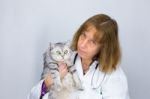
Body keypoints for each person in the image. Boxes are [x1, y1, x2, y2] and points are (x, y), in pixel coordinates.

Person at [28, 14, 130, 99]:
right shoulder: (65, 61)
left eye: (92, 42)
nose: (82, 44)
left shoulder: (114, 76)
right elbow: (32, 96)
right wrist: (46, 83)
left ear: (104, 47)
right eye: (83, 35)